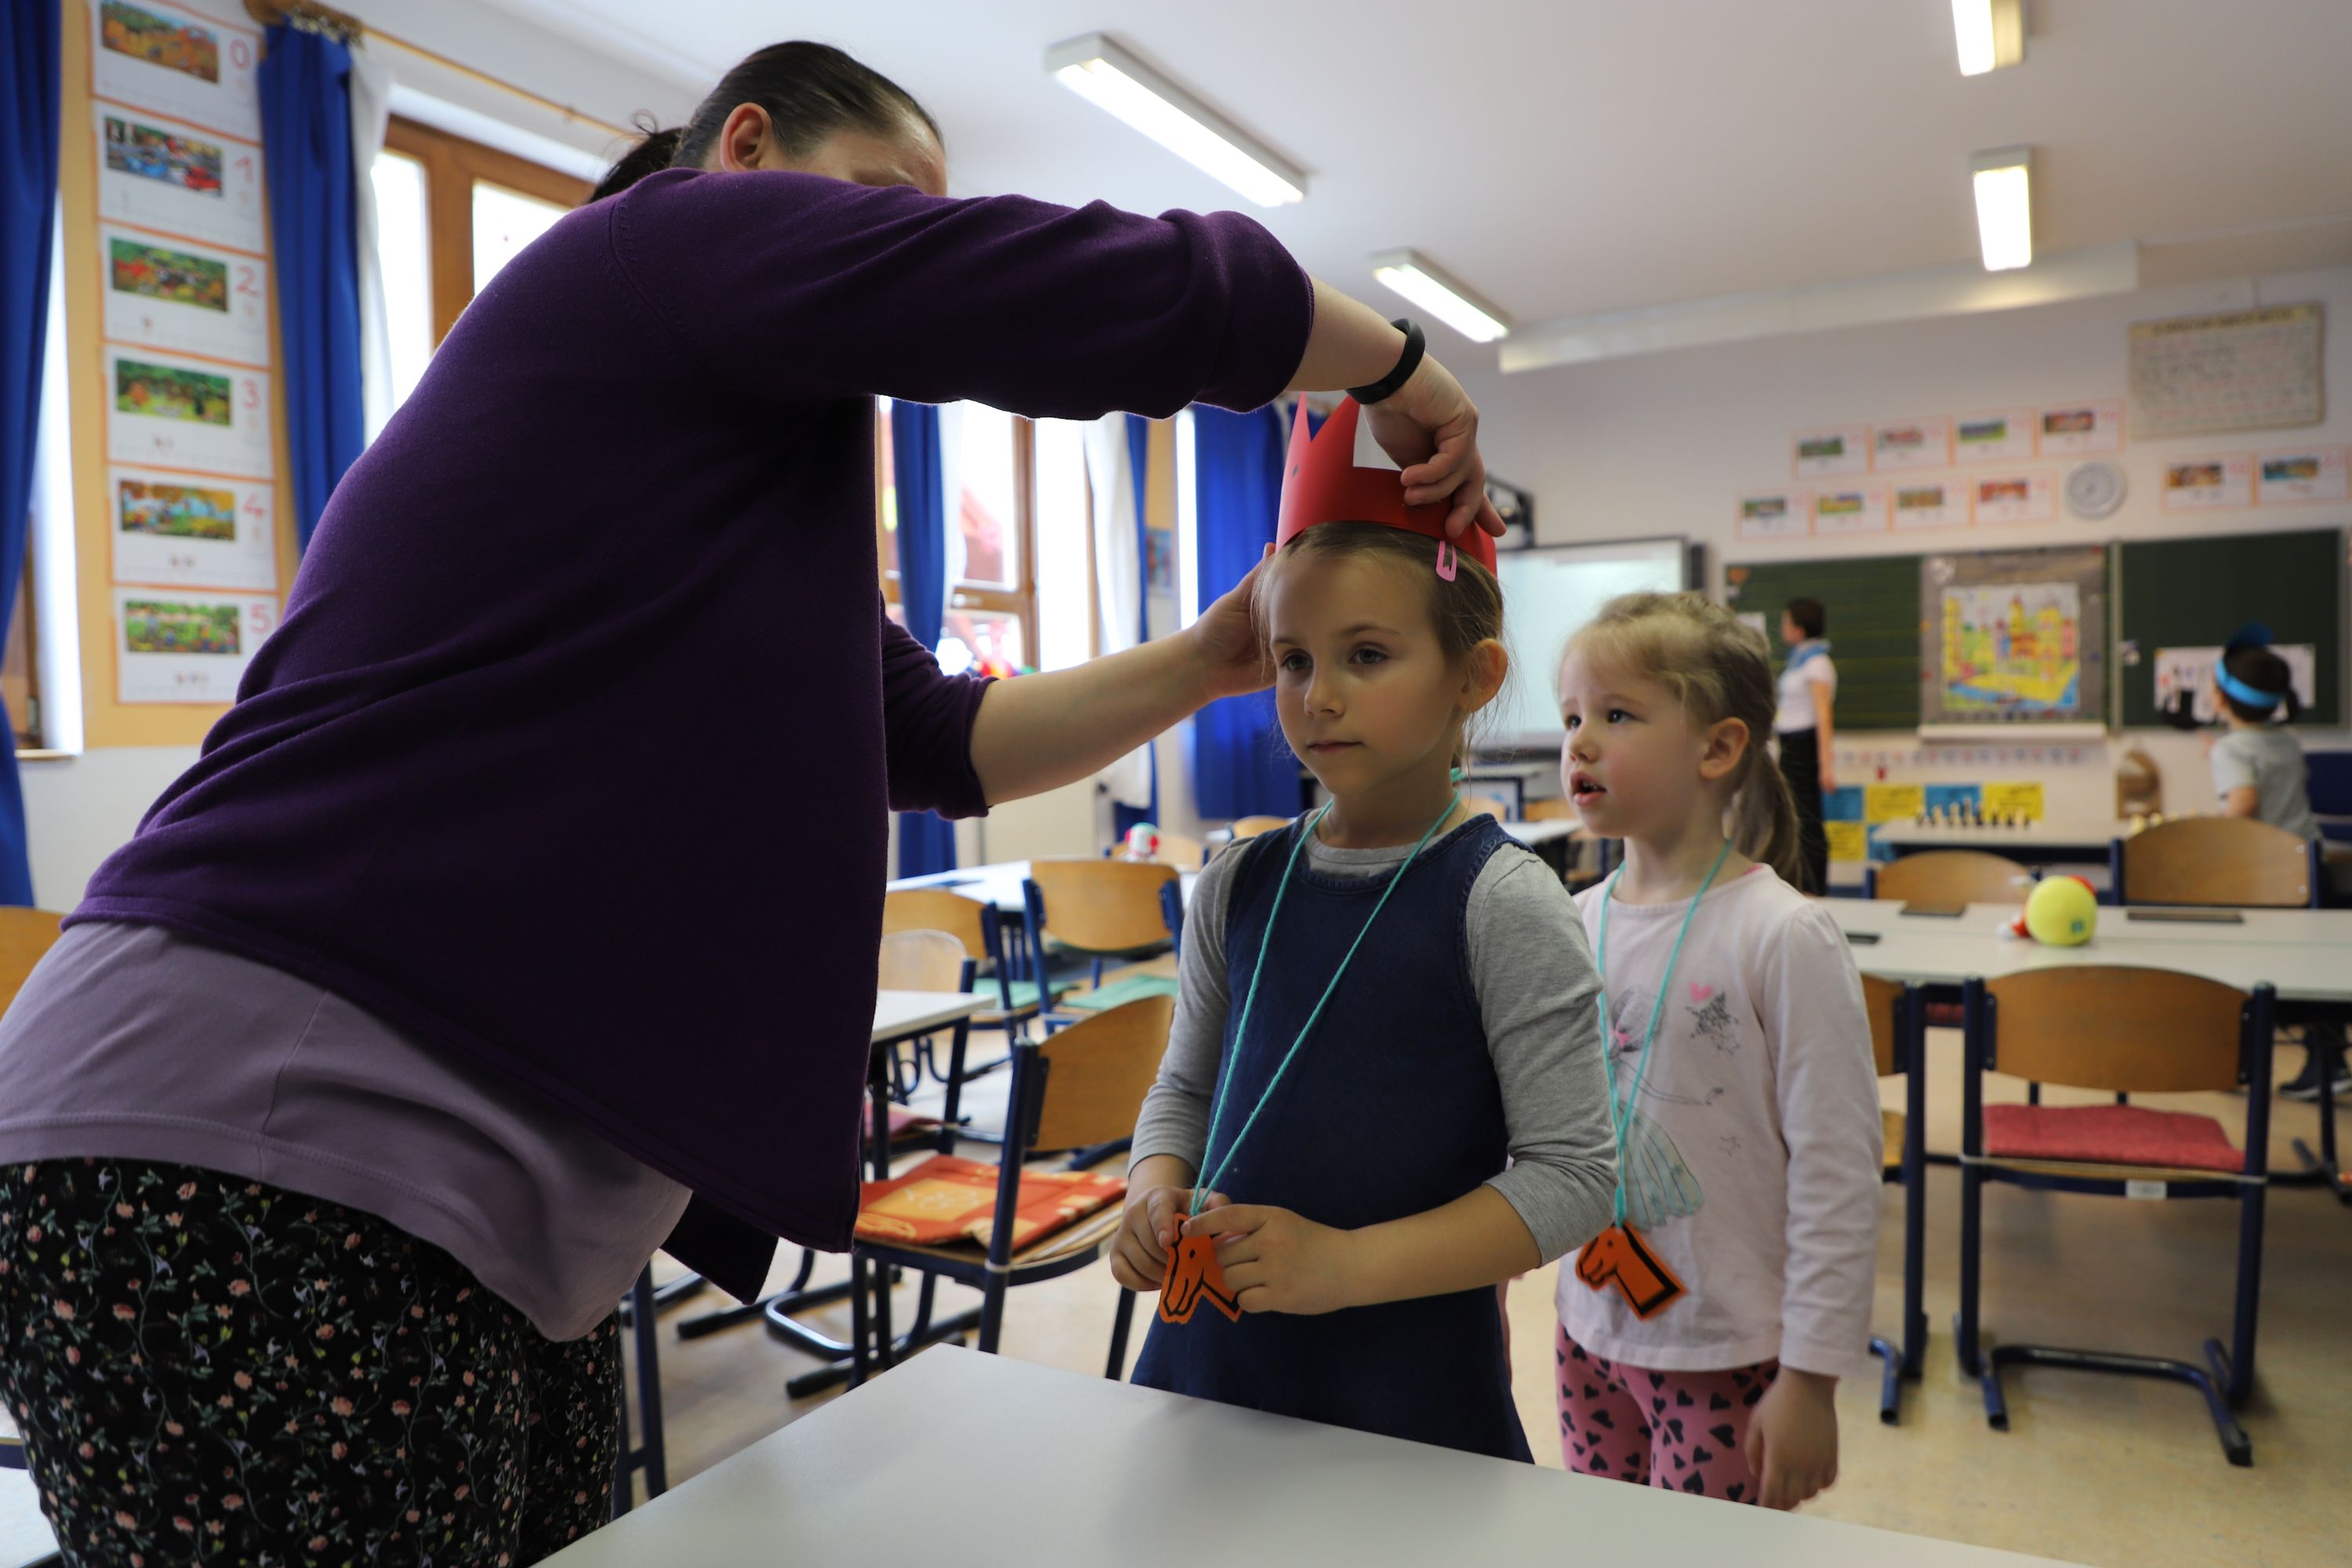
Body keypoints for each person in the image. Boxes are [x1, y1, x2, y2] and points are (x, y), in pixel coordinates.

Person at [0, 42, 1511, 1565]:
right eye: (883, 204)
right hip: (254, 1137)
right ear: (741, 150)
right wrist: (1394, 367)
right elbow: (1059, 290)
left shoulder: (718, 488)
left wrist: (1209, 659)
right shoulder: (650, 245)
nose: (900, 246)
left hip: (472, 1207)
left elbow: (940, 737)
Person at [1109, 399, 1617, 1461]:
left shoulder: (1502, 900)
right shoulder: (1237, 881)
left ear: (1472, 677)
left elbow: (1573, 1175)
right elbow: (1187, 1089)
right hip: (1210, 1370)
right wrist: (1152, 1191)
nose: (1319, 696)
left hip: (1406, 1402)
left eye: (1368, 655)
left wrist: (1344, 1266)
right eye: (1294, 660)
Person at [1554, 592, 1881, 1508]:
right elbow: (1538, 1125)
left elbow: (1838, 1168)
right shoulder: (1570, 922)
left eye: (1617, 715)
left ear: (1718, 747)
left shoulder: (1785, 934)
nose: (1579, 743)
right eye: (1572, 716)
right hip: (1587, 1329)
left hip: (1727, 1348)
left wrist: (1812, 1377)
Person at [2207, 639, 2343, 1100]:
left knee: (2242, 969)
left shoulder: (2230, 749)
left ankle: (2235, 1065)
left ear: (2220, 697)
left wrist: (2215, 833)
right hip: (2309, 866)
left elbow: (2244, 803)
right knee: (2315, 964)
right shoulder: (2285, 740)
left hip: (2264, 875)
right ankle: (2329, 1062)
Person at [1773, 597, 1836, 895]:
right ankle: (1800, 884)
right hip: (1790, 746)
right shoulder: (1799, 660)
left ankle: (1813, 888)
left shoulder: (1816, 664)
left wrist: (1826, 766)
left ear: (1799, 628)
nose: (1782, 628)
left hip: (1804, 747)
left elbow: (1823, 717)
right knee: (1795, 819)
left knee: (1807, 819)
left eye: (1786, 622)